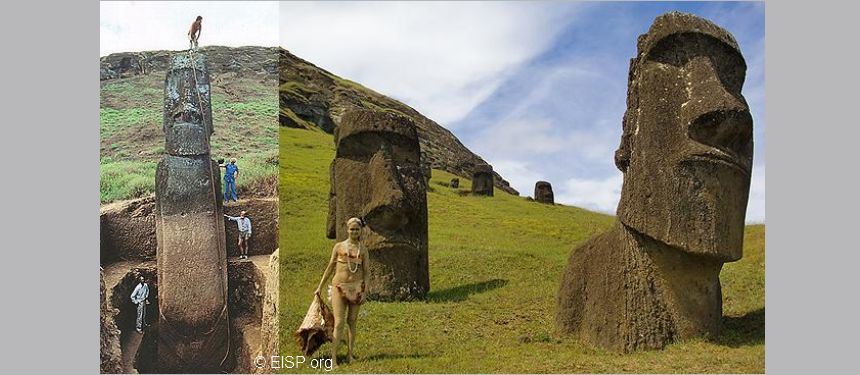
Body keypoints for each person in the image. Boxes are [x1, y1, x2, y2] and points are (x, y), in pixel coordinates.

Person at [315, 217, 370, 366]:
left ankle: (350, 355)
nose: (354, 232)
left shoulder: (363, 249)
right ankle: (333, 358)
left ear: (360, 231)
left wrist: (365, 291)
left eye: (357, 229)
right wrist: (320, 286)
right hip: (338, 286)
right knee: (339, 323)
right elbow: (330, 267)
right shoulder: (339, 246)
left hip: (356, 288)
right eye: (352, 229)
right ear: (347, 230)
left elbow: (366, 272)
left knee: (352, 321)